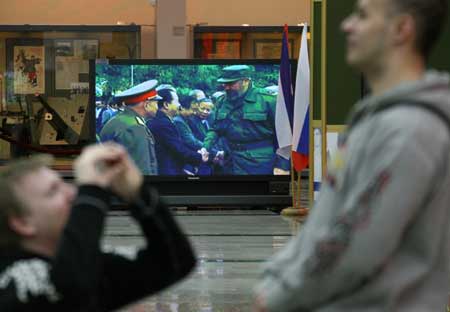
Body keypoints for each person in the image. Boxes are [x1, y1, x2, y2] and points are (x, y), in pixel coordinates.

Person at [253, 0, 450, 311]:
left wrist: (281, 295)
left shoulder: (409, 131)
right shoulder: (372, 122)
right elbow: (324, 223)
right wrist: (274, 278)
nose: (347, 25)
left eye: (362, 15)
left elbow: (355, 244)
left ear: (402, 29)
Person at [0, 143, 196, 311]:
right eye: (53, 191)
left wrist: (137, 193)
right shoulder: (11, 280)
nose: (72, 193)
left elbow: (174, 262)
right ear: (22, 222)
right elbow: (71, 288)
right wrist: (92, 192)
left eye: (64, 184)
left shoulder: (79, 263)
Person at [202, 65, 289, 175]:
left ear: (246, 81)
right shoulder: (222, 101)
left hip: (259, 163)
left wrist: (283, 165)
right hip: (230, 161)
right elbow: (216, 129)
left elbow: (286, 136)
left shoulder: (268, 101)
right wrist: (206, 147)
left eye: (231, 83)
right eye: (224, 83)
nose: (226, 87)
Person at [100, 80, 160, 175]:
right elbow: (141, 171)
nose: (157, 107)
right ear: (147, 105)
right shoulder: (135, 128)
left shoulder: (119, 120)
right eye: (156, 103)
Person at [148, 85, 208, 175]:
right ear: (166, 105)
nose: (179, 105)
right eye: (176, 101)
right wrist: (199, 157)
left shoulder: (163, 120)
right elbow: (178, 149)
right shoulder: (163, 124)